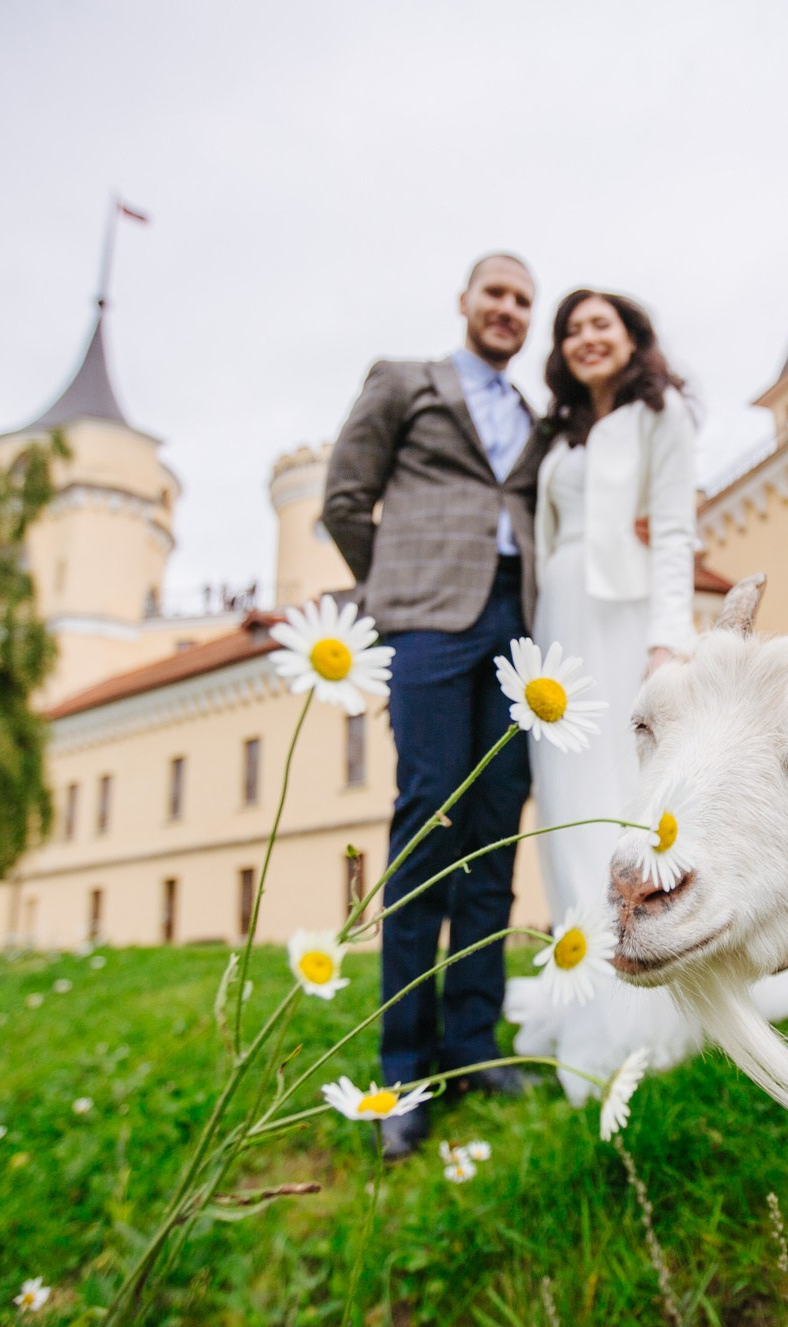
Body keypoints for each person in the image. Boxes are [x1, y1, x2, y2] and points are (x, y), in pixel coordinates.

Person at [505, 289, 788, 1101]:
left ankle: (668, 990)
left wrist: (666, 638)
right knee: (571, 801)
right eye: (572, 329)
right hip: (561, 618)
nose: (586, 338)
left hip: (629, 620)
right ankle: (597, 991)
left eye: (601, 324)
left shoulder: (662, 415)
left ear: (632, 336)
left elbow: (676, 530)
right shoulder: (561, 434)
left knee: (635, 799)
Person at [321, 254, 546, 1159]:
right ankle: (401, 1068)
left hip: (517, 623)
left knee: (495, 833)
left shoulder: (536, 419)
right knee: (427, 827)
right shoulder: (404, 381)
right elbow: (344, 498)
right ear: (465, 302)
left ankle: (472, 1044)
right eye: (496, 292)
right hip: (428, 625)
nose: (509, 308)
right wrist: (393, 592)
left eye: (524, 299)